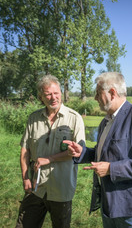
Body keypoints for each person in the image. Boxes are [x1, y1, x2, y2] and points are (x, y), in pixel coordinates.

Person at [65, 72, 132, 228]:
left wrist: (111, 169)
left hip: (131, 207)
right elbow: (104, 152)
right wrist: (82, 152)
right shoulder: (106, 121)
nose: (95, 98)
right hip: (109, 202)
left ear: (112, 93)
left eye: (98, 93)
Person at [16, 75, 85, 228]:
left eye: (56, 93)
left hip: (61, 188)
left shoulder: (75, 118)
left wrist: (50, 158)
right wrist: (25, 178)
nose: (53, 98)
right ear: (41, 97)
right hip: (36, 188)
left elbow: (77, 152)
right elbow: (25, 151)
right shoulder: (33, 118)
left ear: (61, 93)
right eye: (48, 94)